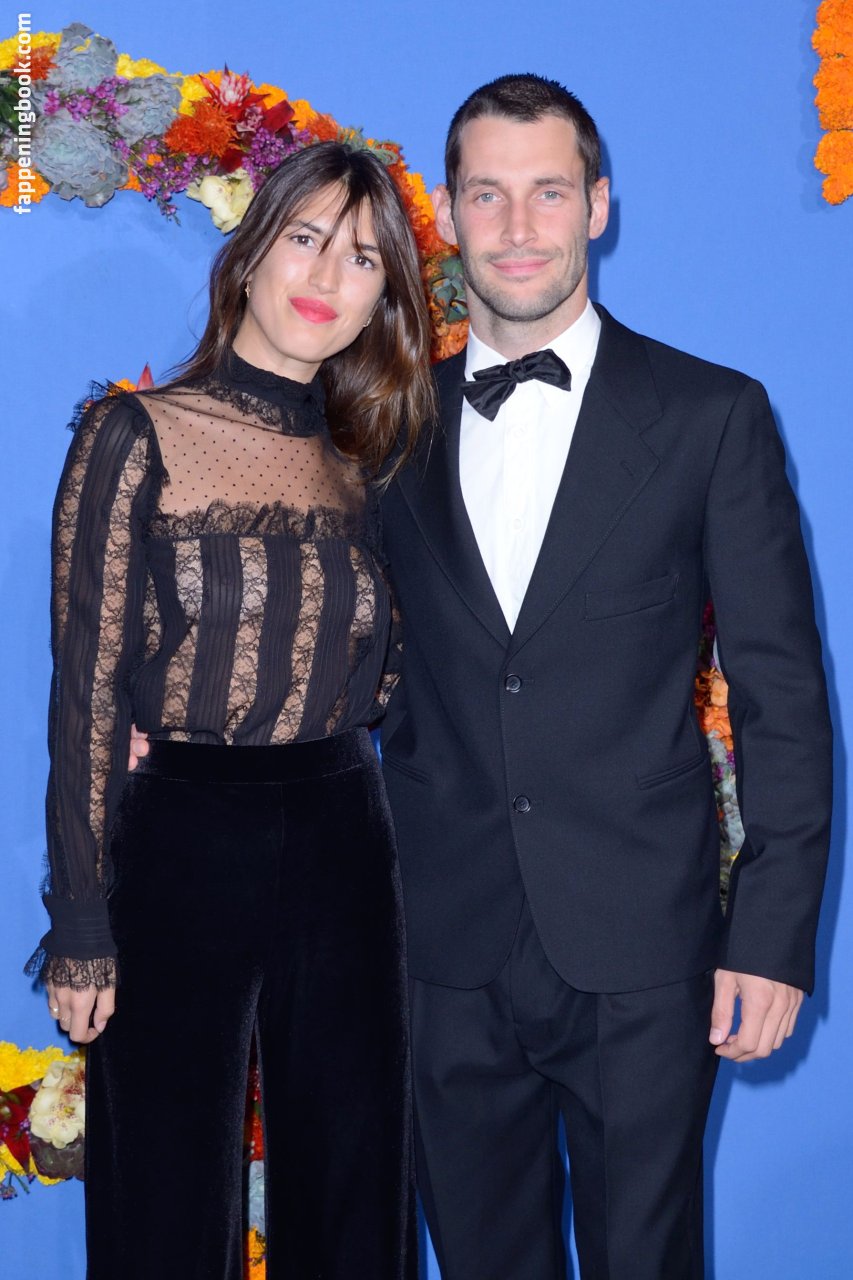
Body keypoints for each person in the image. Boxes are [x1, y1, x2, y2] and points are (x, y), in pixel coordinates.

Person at [375, 75, 832, 1279]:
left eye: (548, 192)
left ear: (598, 206)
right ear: (446, 214)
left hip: (644, 946)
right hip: (442, 944)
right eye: (488, 194)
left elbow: (784, 696)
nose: (518, 226)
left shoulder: (711, 415)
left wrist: (772, 937)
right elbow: (338, 652)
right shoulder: (384, 427)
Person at [29, 141, 436, 1280]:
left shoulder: (371, 463)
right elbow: (86, 685)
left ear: (382, 298)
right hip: (181, 839)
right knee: (163, 1197)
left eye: (363, 257)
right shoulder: (134, 433)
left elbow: (398, 670)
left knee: (355, 1191)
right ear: (250, 255)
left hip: (346, 835)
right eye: (305, 237)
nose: (327, 275)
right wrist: (82, 921)